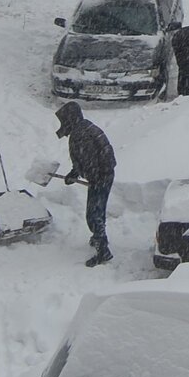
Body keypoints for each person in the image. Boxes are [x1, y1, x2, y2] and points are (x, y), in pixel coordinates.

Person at [55, 101, 117, 267]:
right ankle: (99, 237)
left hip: (101, 175)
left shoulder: (80, 135)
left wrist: (94, 180)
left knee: (93, 213)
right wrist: (73, 174)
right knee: (97, 209)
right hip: (104, 173)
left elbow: (89, 161)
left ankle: (103, 251)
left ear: (70, 119)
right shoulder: (83, 128)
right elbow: (83, 160)